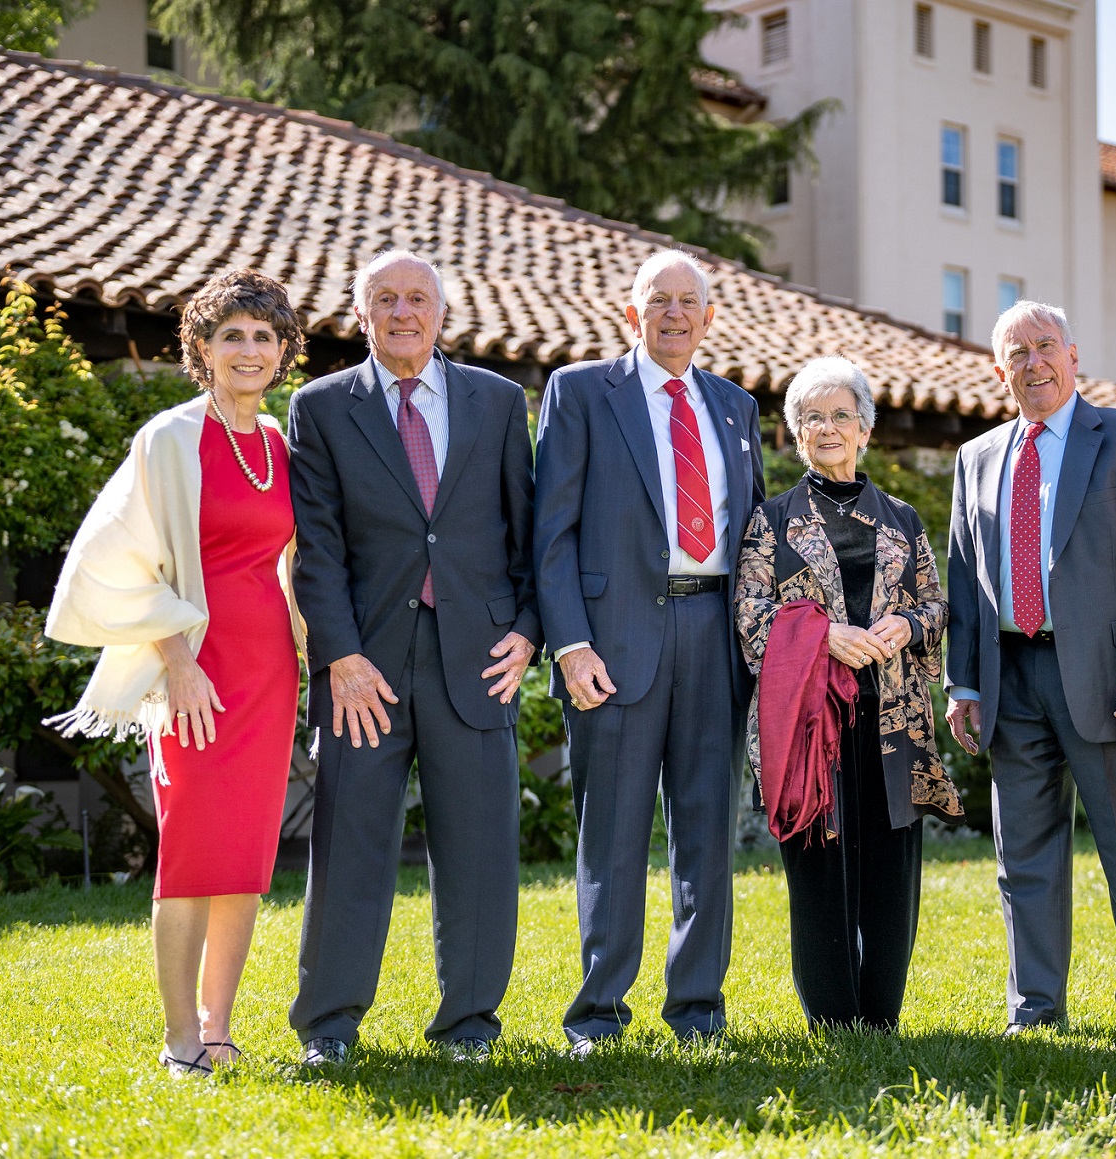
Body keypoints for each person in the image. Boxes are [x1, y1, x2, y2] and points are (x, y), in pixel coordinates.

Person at [45, 269, 306, 1077]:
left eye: (265, 336)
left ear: (285, 351)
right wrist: (178, 661)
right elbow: (122, 556)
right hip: (194, 670)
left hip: (268, 671)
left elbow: (294, 566)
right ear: (202, 347)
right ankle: (178, 1038)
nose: (249, 349)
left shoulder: (281, 447)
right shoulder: (169, 439)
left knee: (245, 857)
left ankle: (218, 1025)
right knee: (193, 846)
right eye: (233, 334)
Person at [286, 250, 539, 1066]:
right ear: (361, 315)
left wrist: (529, 629)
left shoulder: (498, 402)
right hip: (367, 668)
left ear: (442, 313)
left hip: (479, 656)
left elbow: (527, 531)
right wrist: (340, 657)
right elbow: (317, 550)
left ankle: (469, 1023)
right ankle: (329, 1024)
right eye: (386, 299)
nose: (403, 312)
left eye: (418, 299)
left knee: (479, 851)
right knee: (351, 846)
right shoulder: (320, 408)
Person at [945, 299, 1116, 1046]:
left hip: (1114, 683)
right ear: (999, 370)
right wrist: (963, 682)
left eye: (1045, 346)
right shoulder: (977, 458)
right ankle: (1035, 1006)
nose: (1033, 363)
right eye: (1016, 353)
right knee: (1022, 853)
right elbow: (964, 575)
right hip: (1009, 678)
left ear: (1074, 354)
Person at [534, 249, 763, 1054]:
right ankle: (599, 1011)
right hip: (613, 640)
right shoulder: (581, 392)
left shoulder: (736, 407)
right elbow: (550, 533)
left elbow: (759, 537)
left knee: (707, 830)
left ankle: (698, 1006)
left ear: (708, 318)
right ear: (630, 313)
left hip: (715, 636)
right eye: (656, 300)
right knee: (614, 833)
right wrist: (569, 644)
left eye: (687, 302)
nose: (672, 313)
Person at [732, 357, 962, 1032]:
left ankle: (882, 1016)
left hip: (895, 721)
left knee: (891, 876)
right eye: (812, 417)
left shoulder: (903, 518)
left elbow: (937, 604)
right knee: (818, 875)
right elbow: (748, 610)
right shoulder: (769, 521)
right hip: (809, 724)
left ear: (865, 428)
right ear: (795, 435)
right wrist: (822, 636)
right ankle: (833, 1017)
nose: (827, 428)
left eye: (840, 415)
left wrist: (908, 623)